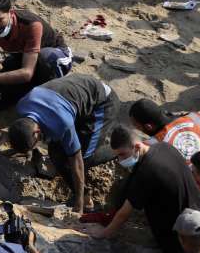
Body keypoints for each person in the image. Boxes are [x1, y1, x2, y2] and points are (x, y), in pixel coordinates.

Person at [7, 74, 119, 212]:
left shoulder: (61, 123)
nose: (37, 145)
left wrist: (79, 200)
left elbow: (76, 160)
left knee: (84, 157)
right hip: (72, 101)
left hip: (102, 103)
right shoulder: (22, 106)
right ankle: (82, 192)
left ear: (36, 133)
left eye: (34, 144)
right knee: (55, 154)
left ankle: (120, 147)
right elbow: (21, 130)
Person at [96, 127, 200, 253]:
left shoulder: (147, 172)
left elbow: (123, 214)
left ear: (136, 146)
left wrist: (102, 234)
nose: (119, 160)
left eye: (122, 154)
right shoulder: (165, 147)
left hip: (179, 237)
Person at [0, 0, 71, 111]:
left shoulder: (31, 25)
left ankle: (51, 96)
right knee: (0, 98)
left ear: (11, 12)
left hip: (55, 57)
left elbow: (26, 73)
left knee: (46, 58)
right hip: (23, 56)